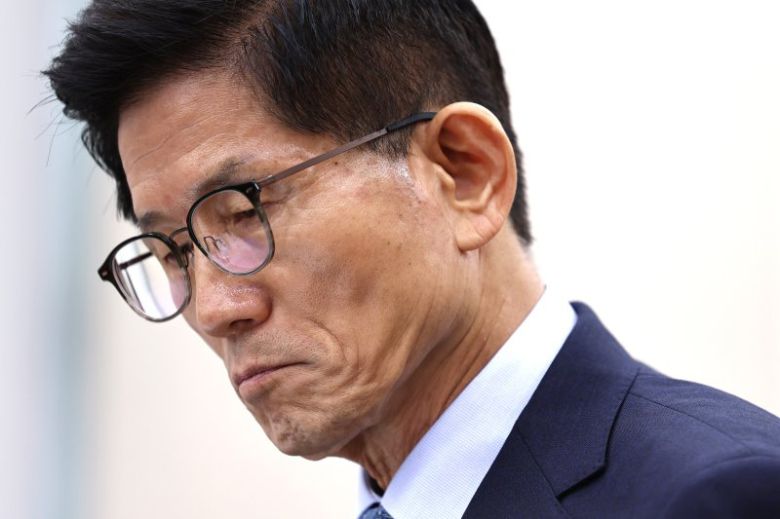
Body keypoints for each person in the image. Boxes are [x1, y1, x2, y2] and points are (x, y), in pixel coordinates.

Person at [45, 1, 780, 517]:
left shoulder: (713, 497)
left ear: (464, 173)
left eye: (243, 211)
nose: (214, 308)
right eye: (173, 250)